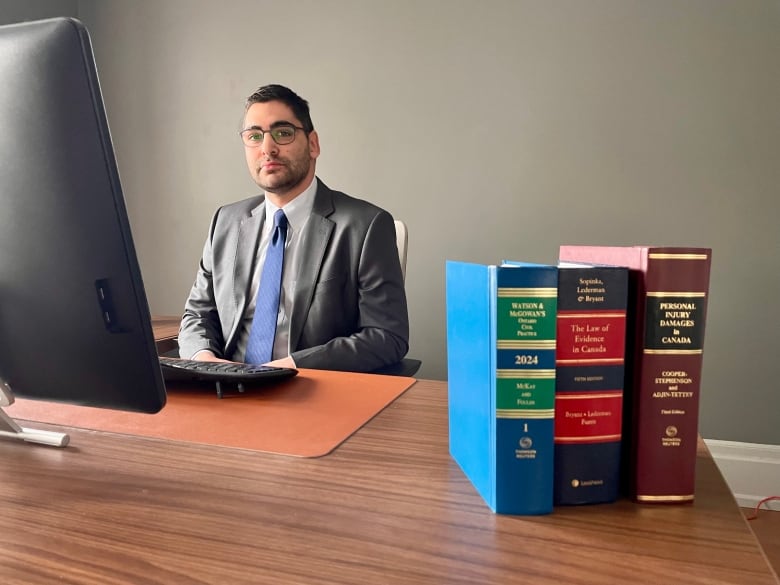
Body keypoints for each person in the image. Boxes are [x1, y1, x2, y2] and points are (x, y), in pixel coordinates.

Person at [177, 84, 409, 372]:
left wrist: (291, 366)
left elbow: (386, 337)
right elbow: (198, 314)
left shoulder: (366, 226)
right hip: (225, 389)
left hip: (308, 389)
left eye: (282, 133)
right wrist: (205, 361)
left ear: (313, 144)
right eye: (254, 136)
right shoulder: (225, 222)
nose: (267, 148)